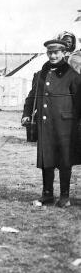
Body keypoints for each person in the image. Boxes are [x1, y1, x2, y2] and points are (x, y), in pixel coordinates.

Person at [22, 39, 81, 208]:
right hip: (45, 124)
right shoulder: (41, 73)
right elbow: (32, 96)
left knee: (64, 160)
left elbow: (79, 102)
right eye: (50, 53)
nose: (53, 56)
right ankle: (47, 195)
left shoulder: (73, 75)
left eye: (56, 53)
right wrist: (27, 114)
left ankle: (64, 196)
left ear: (64, 53)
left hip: (65, 126)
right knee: (46, 158)